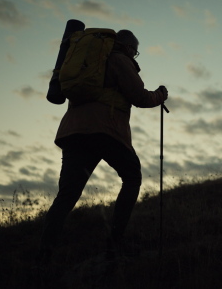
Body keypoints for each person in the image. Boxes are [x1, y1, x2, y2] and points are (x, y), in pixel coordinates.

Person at [37, 29, 168, 265]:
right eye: (135, 51)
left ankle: (44, 253)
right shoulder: (119, 59)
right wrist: (160, 95)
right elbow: (139, 97)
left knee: (67, 194)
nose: (134, 56)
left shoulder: (86, 63)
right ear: (128, 48)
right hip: (105, 130)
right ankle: (115, 243)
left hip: (73, 132)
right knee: (132, 177)